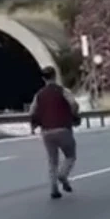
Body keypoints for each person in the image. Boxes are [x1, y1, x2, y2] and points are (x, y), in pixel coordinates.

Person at [29, 66, 80, 200]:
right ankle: (63, 175)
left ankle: (54, 189)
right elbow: (73, 104)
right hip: (63, 128)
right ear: (55, 76)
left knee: (52, 161)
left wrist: (35, 125)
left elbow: (32, 111)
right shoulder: (62, 91)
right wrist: (73, 115)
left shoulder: (39, 95)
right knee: (70, 156)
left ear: (43, 78)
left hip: (46, 131)